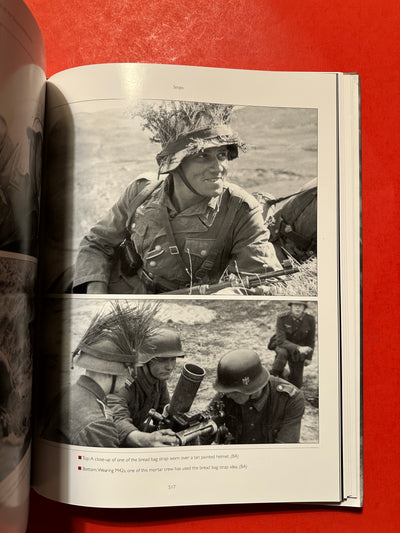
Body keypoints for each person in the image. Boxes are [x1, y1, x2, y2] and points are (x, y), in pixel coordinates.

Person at [72, 101, 282, 294]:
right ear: (175, 164)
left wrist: (226, 295)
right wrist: (96, 294)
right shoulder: (141, 192)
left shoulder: (240, 209)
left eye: (222, 155)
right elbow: (97, 243)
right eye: (203, 156)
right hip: (124, 287)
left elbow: (263, 281)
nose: (218, 168)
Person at [41, 303, 146, 447]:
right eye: (127, 371)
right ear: (111, 372)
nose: (130, 377)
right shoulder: (98, 426)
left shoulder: (67, 393)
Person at [206, 349, 305, 444]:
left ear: (253, 389)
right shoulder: (227, 394)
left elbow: (284, 450)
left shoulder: (290, 400)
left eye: (234, 392)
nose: (227, 396)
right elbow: (205, 427)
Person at [108, 326, 184, 447]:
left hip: (135, 429)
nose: (170, 367)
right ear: (147, 359)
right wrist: (146, 439)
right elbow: (116, 418)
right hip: (112, 440)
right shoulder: (126, 380)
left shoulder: (158, 378)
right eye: (163, 360)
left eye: (173, 359)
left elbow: (165, 414)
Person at [270, 301, 316, 388]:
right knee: (283, 353)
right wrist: (298, 348)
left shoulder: (310, 319)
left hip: (298, 351)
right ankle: (274, 377)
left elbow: (311, 340)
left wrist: (308, 358)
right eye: (295, 305)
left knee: (297, 384)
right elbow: (280, 340)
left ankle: (286, 376)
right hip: (282, 345)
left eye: (300, 305)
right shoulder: (282, 318)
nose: (297, 308)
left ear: (304, 308)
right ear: (291, 307)